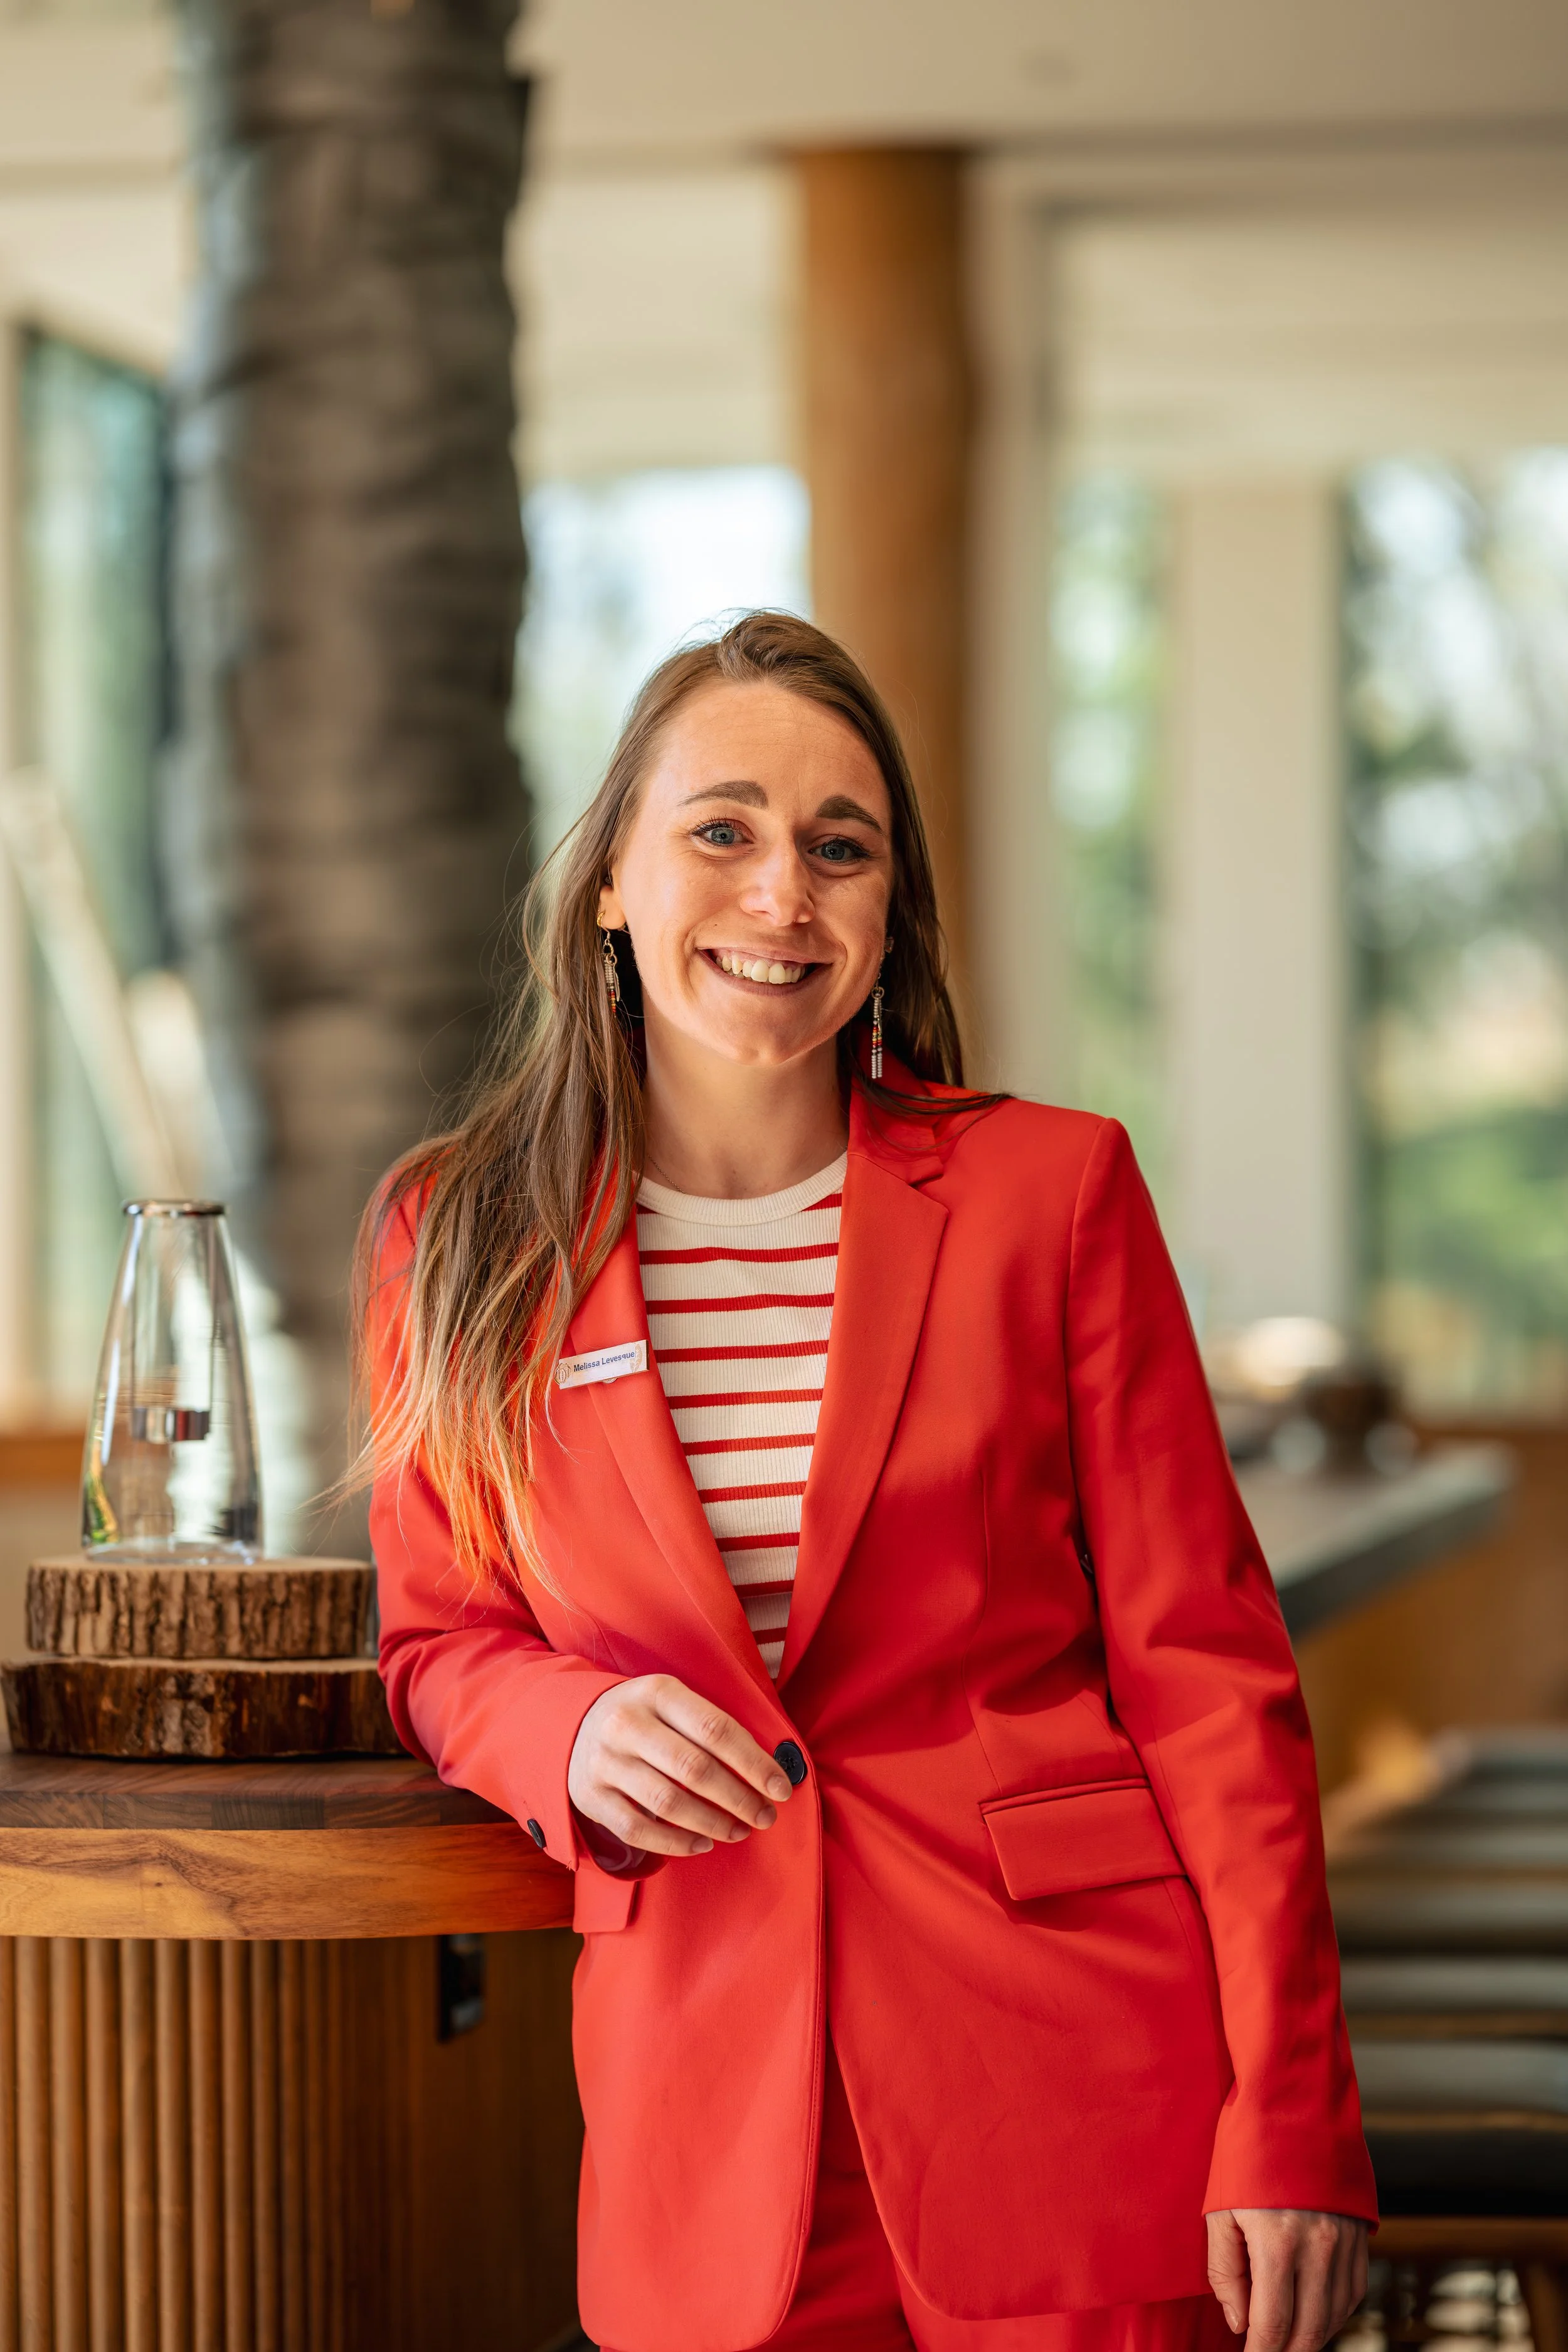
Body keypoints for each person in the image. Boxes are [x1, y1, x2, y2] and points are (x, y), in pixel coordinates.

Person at [359, 612, 1375, 2352]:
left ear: (888, 910)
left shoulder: (1050, 1196)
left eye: (843, 847)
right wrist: (568, 1733)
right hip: (704, 2111)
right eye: (722, 829)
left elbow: (1213, 1691)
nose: (783, 895)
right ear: (608, 875)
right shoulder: (458, 1234)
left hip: (1075, 2090)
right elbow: (440, 1641)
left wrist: (1290, 2111)